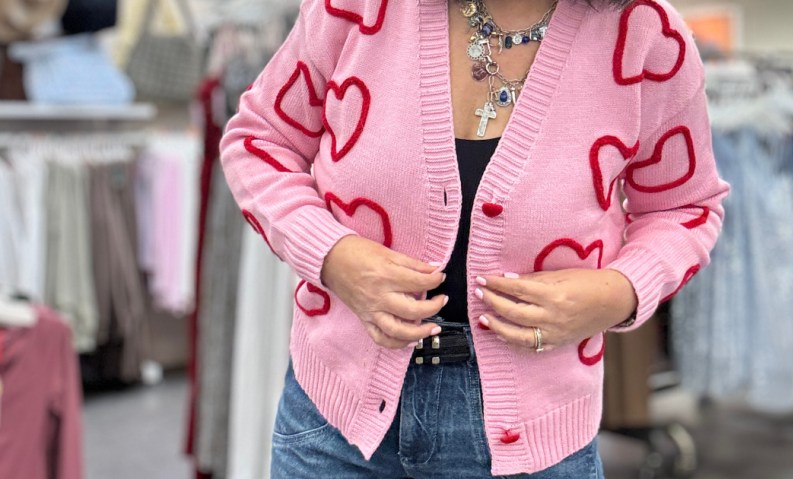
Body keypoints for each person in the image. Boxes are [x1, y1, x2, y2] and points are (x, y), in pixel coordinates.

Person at [219, 0, 730, 477]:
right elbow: (260, 141)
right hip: (334, 423)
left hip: (537, 435)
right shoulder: (358, 8)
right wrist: (334, 256)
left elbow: (686, 207)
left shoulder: (646, 36)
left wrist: (618, 293)